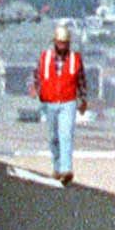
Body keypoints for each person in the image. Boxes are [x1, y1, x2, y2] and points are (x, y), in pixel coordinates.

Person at [34, 20, 88, 186]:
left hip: (67, 101)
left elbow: (81, 81)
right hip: (49, 101)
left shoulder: (75, 59)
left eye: (65, 43)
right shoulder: (45, 57)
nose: (62, 46)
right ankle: (57, 167)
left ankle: (66, 169)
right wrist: (36, 89)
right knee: (53, 137)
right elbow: (37, 75)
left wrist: (83, 99)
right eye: (60, 43)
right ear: (55, 42)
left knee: (66, 135)